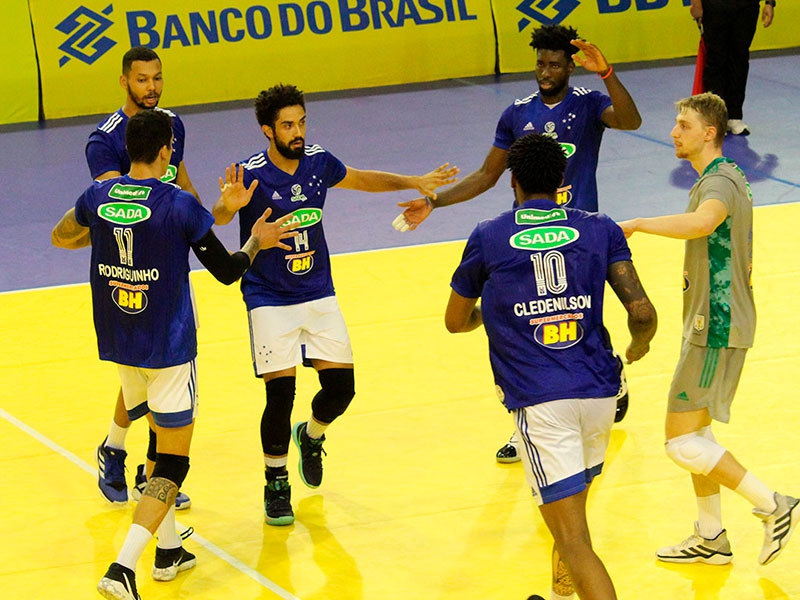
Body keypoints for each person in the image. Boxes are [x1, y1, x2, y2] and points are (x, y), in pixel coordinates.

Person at [53, 109, 298, 600]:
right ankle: (123, 568)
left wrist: (100, 233)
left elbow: (62, 236)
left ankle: (169, 551)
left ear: (129, 150)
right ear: (168, 151)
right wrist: (257, 240)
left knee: (153, 443)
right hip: (168, 348)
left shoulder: (97, 196)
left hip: (122, 343)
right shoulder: (179, 203)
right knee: (172, 464)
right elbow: (228, 272)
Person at [212, 83, 459, 526]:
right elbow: (218, 216)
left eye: (302, 122)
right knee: (280, 393)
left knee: (342, 390)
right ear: (267, 130)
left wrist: (414, 181)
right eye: (288, 125)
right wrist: (226, 208)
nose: (298, 131)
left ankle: (312, 435)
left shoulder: (319, 162)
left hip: (317, 290)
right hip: (267, 295)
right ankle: (276, 482)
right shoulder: (251, 173)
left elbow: (361, 179)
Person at [393, 23, 642, 464]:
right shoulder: (516, 113)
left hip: (579, 238)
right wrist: (435, 201)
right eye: (540, 63)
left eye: (554, 64)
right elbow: (488, 175)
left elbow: (630, 120)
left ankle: (610, 374)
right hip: (526, 238)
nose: (545, 71)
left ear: (570, 65)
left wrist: (607, 72)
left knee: (580, 321)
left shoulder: (587, 105)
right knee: (526, 332)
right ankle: (524, 422)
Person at [445, 132, 657, 600]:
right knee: (572, 523)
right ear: (563, 180)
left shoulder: (489, 235)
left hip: (542, 402)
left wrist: (492, 313)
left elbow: (455, 321)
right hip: (601, 394)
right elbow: (642, 312)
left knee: (575, 541)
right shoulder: (600, 227)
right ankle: (564, 594)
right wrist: (638, 345)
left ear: (513, 181)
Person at [619, 92, 798, 566]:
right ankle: (711, 536)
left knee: (680, 442)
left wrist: (637, 224)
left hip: (716, 323)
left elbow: (704, 222)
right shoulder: (723, 177)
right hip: (710, 319)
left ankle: (773, 503)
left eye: (683, 124)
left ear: (709, 133)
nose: (674, 132)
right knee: (698, 438)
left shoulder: (718, 182)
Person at [87, 46, 201, 509]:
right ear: (123, 82)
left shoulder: (173, 124)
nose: (151, 87)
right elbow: (122, 206)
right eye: (141, 79)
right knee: (150, 366)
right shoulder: (103, 141)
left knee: (152, 366)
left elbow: (181, 181)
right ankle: (136, 461)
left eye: (157, 78)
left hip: (169, 264)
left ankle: (132, 462)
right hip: (129, 267)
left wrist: (208, 217)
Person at [690, 0, 775, 136]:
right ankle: (716, 118)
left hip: (747, 7)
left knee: (740, 59)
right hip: (715, 6)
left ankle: (735, 116)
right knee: (716, 61)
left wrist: (770, 3)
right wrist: (697, 5)